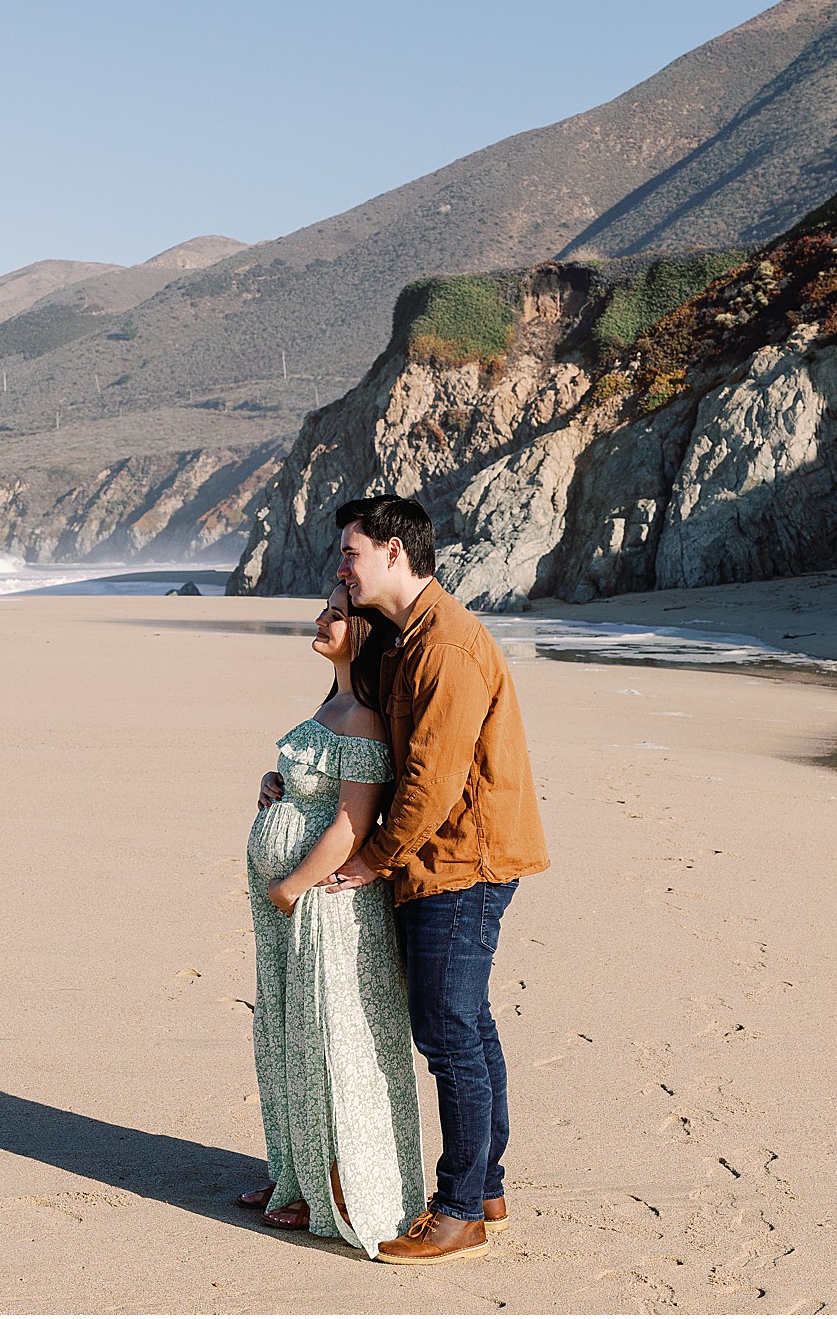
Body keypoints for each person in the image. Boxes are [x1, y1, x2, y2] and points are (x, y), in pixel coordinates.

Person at [325, 494, 552, 1266]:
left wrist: (369, 857)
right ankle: (482, 1184)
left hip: (462, 860)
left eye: (351, 553)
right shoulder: (406, 637)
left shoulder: (446, 644)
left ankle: (458, 1210)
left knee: (447, 1028)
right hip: (452, 856)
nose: (342, 569)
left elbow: (431, 780)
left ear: (394, 552)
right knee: (466, 1022)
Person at [241, 582, 424, 1258]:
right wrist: (274, 782)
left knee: (325, 1042)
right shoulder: (333, 703)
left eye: (336, 613)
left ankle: (329, 1188)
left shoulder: (367, 716)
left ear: (364, 632)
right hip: (291, 906)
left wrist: (291, 883)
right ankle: (291, 1172)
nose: (320, 619)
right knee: (286, 1034)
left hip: (325, 907)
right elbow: (313, 786)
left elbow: (353, 822)